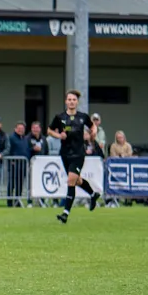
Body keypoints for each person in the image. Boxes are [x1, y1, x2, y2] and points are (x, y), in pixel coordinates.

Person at [48, 89, 101, 224]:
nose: (71, 102)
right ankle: (94, 194)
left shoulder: (83, 116)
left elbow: (93, 127)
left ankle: (65, 213)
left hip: (78, 154)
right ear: (66, 101)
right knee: (76, 181)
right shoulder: (60, 117)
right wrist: (59, 135)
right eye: (69, 99)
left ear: (77, 102)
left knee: (71, 181)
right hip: (65, 154)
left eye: (74, 100)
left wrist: (92, 133)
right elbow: (49, 130)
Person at [4, 121, 31, 207]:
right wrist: (10, 161)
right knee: (11, 184)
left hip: (23, 165)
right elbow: (8, 150)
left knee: (20, 185)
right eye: (19, 129)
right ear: (15, 129)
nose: (21, 130)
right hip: (13, 165)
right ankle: (9, 202)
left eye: (22, 129)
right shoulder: (11, 138)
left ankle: (17, 201)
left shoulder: (26, 139)